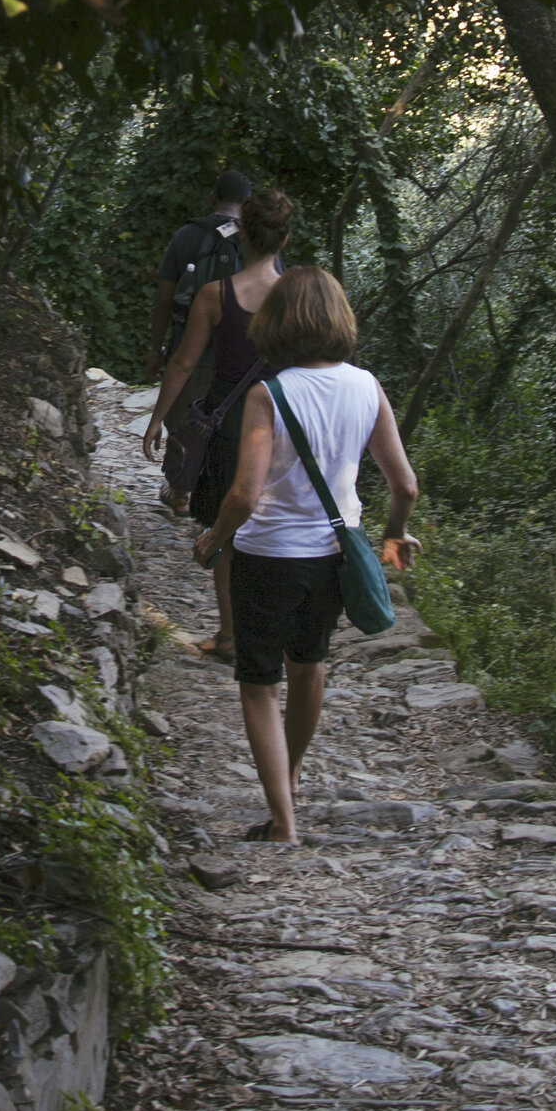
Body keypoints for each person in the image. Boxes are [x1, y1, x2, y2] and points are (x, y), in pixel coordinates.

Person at [192, 265, 419, 844]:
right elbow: (405, 485)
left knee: (259, 684)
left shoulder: (271, 393)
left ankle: (284, 824)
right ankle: (289, 777)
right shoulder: (367, 387)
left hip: (268, 555)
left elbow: (244, 494)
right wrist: (394, 536)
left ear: (277, 323)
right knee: (309, 665)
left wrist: (214, 538)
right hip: (331, 557)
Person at [141, 185, 292, 652]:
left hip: (232, 423)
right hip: (286, 420)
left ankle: (229, 633)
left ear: (241, 234)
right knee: (276, 524)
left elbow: (184, 363)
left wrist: (157, 419)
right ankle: (275, 628)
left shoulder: (215, 294)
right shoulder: (297, 294)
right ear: (284, 241)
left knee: (226, 528)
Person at [150, 170, 252, 387]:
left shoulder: (185, 235)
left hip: (188, 358)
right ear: (247, 203)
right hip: (242, 363)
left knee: (183, 421)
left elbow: (164, 301)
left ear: (213, 197)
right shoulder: (256, 240)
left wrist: (155, 350)